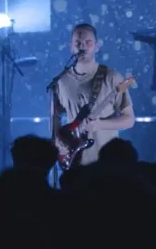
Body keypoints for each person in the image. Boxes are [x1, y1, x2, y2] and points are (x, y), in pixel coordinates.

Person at [53, 23, 135, 167]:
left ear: (97, 46)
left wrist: (100, 124)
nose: (82, 46)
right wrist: (59, 142)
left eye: (88, 42)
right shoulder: (61, 81)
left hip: (106, 163)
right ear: (71, 46)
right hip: (75, 162)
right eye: (77, 43)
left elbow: (129, 120)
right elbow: (55, 117)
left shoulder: (112, 77)